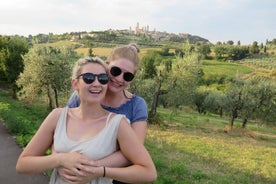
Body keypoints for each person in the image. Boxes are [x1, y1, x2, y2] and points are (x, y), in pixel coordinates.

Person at [16, 57, 157, 184]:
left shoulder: (118, 124)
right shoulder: (58, 117)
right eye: (89, 78)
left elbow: (149, 173)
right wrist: (59, 160)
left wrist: (100, 171)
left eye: (102, 78)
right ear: (75, 84)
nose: (96, 83)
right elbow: (22, 165)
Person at [65, 44, 148, 183]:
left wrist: (91, 168)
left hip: (115, 178)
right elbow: (61, 132)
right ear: (106, 65)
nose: (120, 79)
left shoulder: (137, 105)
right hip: (76, 175)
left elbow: (134, 151)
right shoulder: (81, 95)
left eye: (127, 76)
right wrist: (62, 161)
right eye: (115, 71)